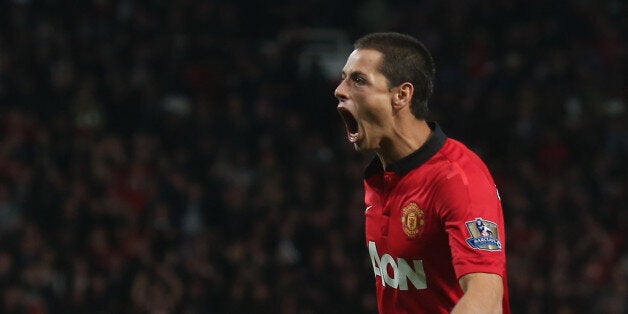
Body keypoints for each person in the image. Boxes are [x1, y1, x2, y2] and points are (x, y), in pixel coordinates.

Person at [334, 32, 510, 313]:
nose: (339, 90)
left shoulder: (457, 178)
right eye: (344, 77)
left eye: (358, 80)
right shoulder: (380, 179)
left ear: (401, 95)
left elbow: (486, 299)